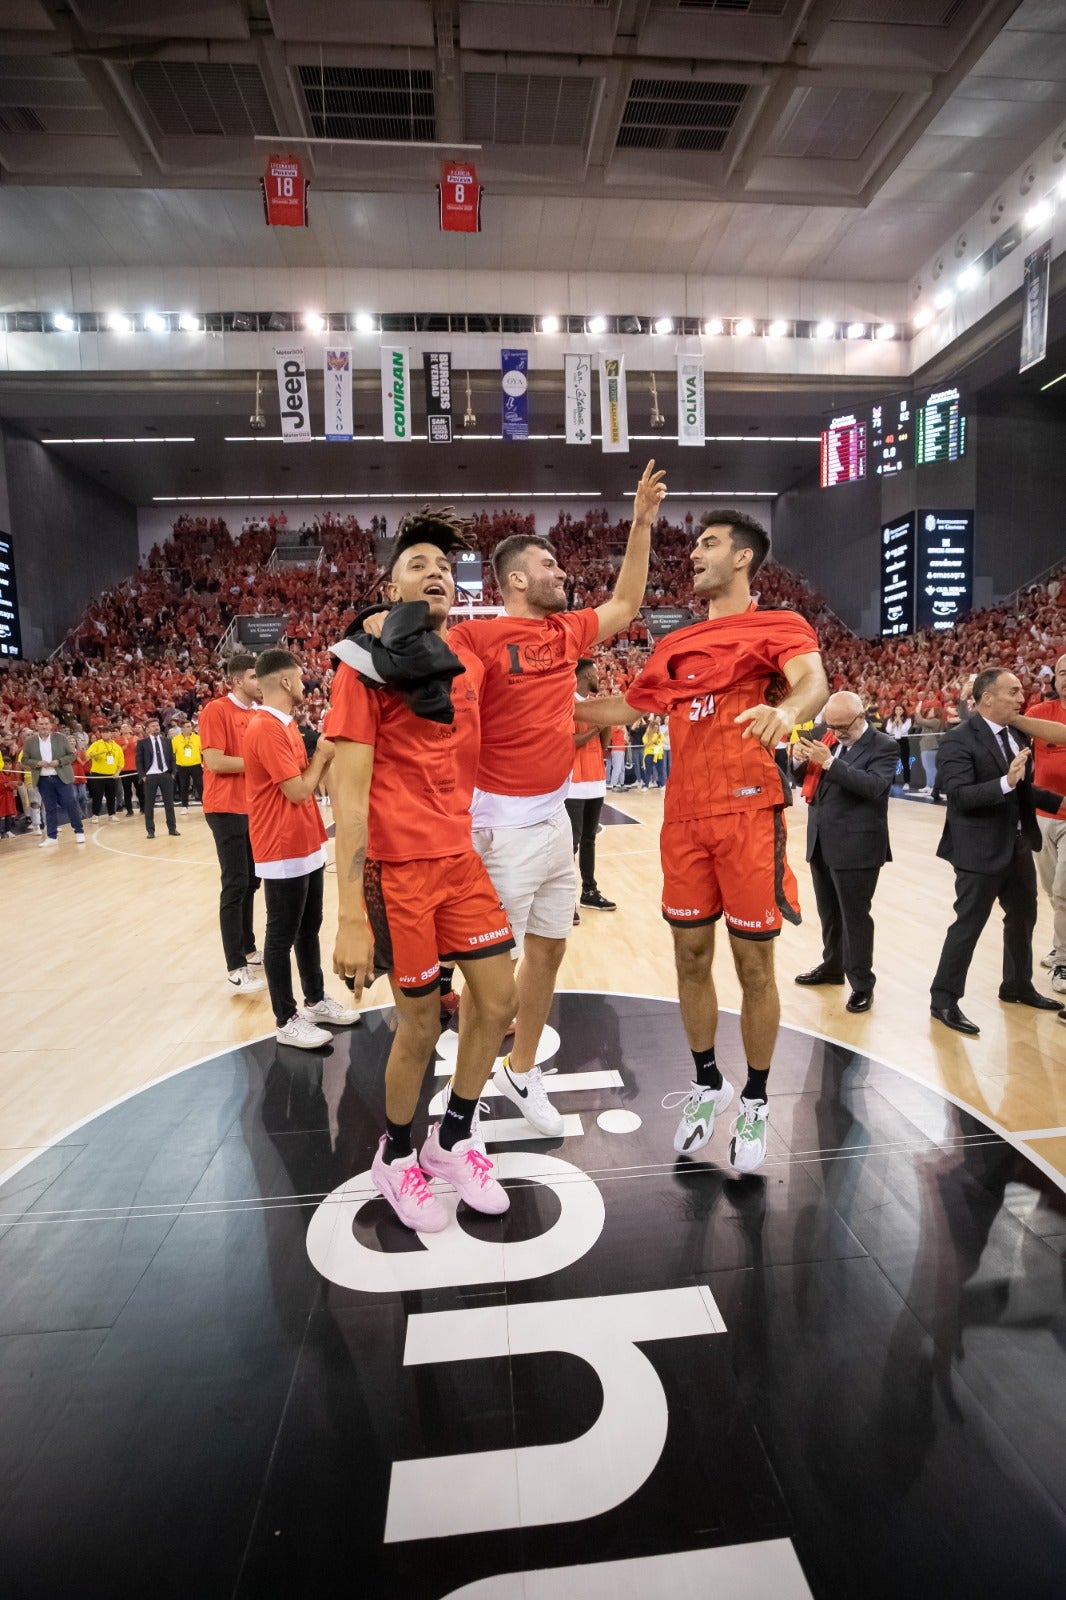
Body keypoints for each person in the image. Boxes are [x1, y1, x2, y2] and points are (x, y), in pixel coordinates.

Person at [574, 508, 827, 1173]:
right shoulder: (673, 646)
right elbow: (627, 709)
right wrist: (544, 712)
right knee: (689, 959)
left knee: (753, 967)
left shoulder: (781, 625)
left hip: (747, 815)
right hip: (683, 821)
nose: (694, 555)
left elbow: (812, 682)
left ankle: (759, 1098)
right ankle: (707, 1081)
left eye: (708, 544)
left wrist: (787, 711)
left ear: (743, 558)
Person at [446, 461, 667, 1138]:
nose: (559, 570)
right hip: (500, 824)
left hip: (551, 817)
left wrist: (640, 526)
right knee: (493, 984)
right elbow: (446, 702)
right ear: (515, 579)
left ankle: (519, 1069)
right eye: (546, 563)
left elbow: (626, 604)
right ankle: (463, 1106)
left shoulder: (565, 633)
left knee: (549, 950)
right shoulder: (473, 637)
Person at [327, 509, 517, 1233]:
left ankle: (455, 1137)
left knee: (497, 1002)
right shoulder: (362, 664)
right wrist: (349, 914)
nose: (436, 571)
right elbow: (348, 795)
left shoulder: (461, 660)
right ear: (388, 586)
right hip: (397, 870)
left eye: (446, 566)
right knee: (415, 1027)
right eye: (418, 564)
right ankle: (396, 1152)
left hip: (459, 860)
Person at [929, 668, 1065, 1036]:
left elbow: (1022, 790)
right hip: (978, 849)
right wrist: (1006, 781)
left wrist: (1059, 800)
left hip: (1018, 845)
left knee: (1022, 920)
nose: (1023, 698)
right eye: (1014, 692)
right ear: (987, 698)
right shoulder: (959, 739)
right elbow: (958, 796)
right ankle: (943, 998)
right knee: (969, 924)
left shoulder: (1018, 733)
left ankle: (1017, 985)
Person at [243, 649, 360, 1049]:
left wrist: (323, 760)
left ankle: (314, 999)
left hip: (305, 840)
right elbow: (296, 790)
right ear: (287, 682)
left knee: (308, 928)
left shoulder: (285, 723)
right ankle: (285, 1017)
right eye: (300, 676)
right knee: (281, 934)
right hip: (281, 844)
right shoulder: (265, 728)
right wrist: (324, 755)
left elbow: (308, 782)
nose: (305, 682)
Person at [792, 691, 900, 1013]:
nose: (836, 732)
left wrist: (829, 761)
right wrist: (798, 758)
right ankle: (832, 967)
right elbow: (803, 778)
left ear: (861, 716)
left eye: (842, 726)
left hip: (858, 846)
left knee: (855, 918)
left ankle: (862, 983)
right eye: (832, 724)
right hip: (822, 839)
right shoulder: (827, 737)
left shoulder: (885, 746)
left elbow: (874, 787)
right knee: (829, 914)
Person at [199, 654, 265, 995]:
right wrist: (259, 762)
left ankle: (250, 949)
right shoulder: (216, 710)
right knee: (235, 883)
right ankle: (235, 965)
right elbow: (215, 760)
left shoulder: (257, 714)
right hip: (225, 808)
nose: (260, 682)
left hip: (253, 808)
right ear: (238, 680)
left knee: (251, 882)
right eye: (255, 677)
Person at [1018, 652, 1066, 996]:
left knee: (1065, 890)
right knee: (1052, 890)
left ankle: (1064, 957)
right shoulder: (1038, 713)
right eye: (1062, 672)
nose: (1065, 677)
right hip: (1042, 815)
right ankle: (1062, 941)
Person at [565, 658, 615, 916]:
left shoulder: (596, 705)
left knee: (589, 840)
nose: (599, 677)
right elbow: (572, 742)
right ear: (585, 675)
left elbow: (605, 745)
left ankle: (589, 891)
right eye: (595, 673)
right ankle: (566, 900)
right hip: (574, 784)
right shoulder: (568, 704)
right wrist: (597, 725)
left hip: (596, 781)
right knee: (571, 843)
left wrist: (606, 721)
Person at [20, 714, 86, 849]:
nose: (44, 726)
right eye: (41, 724)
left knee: (70, 803)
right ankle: (51, 837)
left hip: (61, 777)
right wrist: (37, 763)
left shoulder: (60, 738)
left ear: (50, 725)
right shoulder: (30, 742)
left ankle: (79, 831)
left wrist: (59, 762)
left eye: (46, 724)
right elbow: (24, 760)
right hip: (43, 779)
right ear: (36, 726)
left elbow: (72, 754)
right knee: (49, 808)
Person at [136, 717, 180, 839]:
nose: (156, 727)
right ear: (148, 729)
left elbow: (172, 758)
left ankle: (172, 828)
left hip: (166, 774)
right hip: (150, 776)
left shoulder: (167, 741)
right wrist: (143, 776)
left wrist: (173, 773)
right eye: (153, 726)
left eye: (157, 725)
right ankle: (150, 830)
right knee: (149, 805)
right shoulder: (142, 743)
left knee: (169, 804)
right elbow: (139, 761)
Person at [84, 725, 124, 823]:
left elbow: (121, 762)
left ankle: (112, 814)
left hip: (112, 775)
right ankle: (95, 815)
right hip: (98, 774)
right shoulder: (96, 744)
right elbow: (88, 755)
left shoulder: (117, 747)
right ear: (101, 734)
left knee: (111, 795)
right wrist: (100, 752)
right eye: (103, 732)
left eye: (107, 732)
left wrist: (117, 773)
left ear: (111, 734)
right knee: (97, 795)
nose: (105, 734)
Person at [171, 718, 202, 814]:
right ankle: (184, 806)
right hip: (182, 766)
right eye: (188, 727)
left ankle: (205, 805)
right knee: (184, 786)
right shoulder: (175, 739)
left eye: (191, 726)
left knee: (200, 786)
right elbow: (173, 753)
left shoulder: (197, 738)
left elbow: (202, 751)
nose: (190, 728)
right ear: (182, 728)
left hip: (196, 765)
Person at [885, 703, 912, 786]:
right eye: (897, 709)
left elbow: (904, 729)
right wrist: (895, 720)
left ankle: (906, 782)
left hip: (903, 740)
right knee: (891, 762)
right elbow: (889, 730)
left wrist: (899, 719)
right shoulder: (890, 720)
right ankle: (891, 781)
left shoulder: (908, 720)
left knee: (905, 762)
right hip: (893, 740)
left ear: (903, 711)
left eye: (900, 709)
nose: (898, 711)